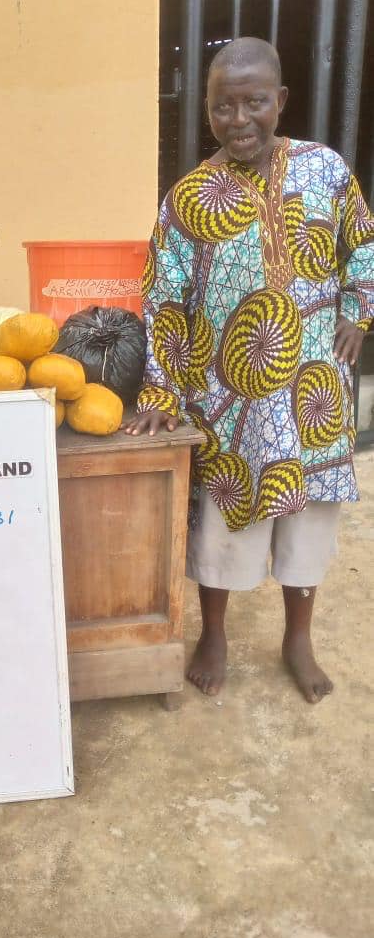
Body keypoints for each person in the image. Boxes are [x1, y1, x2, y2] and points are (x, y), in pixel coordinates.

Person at [125, 37, 374, 703]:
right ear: (207, 109)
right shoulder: (188, 199)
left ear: (280, 100)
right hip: (229, 397)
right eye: (223, 106)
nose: (239, 120)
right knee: (226, 522)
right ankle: (214, 633)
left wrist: (359, 310)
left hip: (314, 389)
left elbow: (363, 241)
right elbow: (164, 298)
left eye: (255, 102)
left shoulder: (324, 170)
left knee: (309, 521)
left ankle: (299, 638)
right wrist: (161, 390)